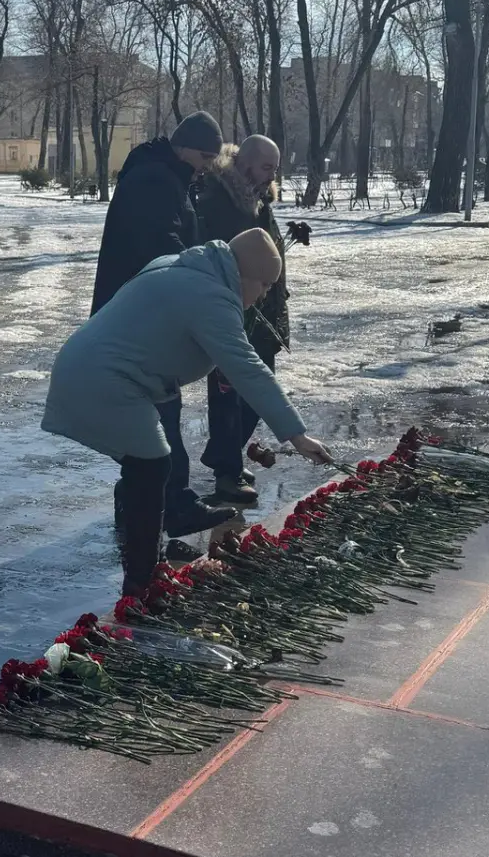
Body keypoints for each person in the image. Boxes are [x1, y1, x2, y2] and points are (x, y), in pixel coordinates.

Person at [44, 229, 333, 595]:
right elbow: (247, 368)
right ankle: (143, 579)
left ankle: (151, 556)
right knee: (151, 466)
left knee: (147, 468)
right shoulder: (209, 294)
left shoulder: (187, 268)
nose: (263, 295)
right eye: (263, 284)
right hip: (104, 380)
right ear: (243, 273)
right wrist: (297, 435)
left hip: (97, 371)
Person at [89, 111, 228, 538]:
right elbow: (161, 246)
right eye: (204, 157)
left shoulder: (167, 176)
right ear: (184, 147)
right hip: (139, 319)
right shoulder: (154, 180)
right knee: (160, 416)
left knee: (158, 415)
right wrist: (202, 269)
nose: (206, 167)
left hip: (145, 314)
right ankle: (168, 509)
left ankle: (147, 506)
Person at [194, 136, 291, 507]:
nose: (271, 176)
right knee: (228, 395)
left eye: (275, 169)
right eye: (266, 167)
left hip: (264, 310)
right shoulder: (218, 198)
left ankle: (225, 455)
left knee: (259, 390)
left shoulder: (260, 198)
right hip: (232, 309)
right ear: (245, 162)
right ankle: (227, 472)